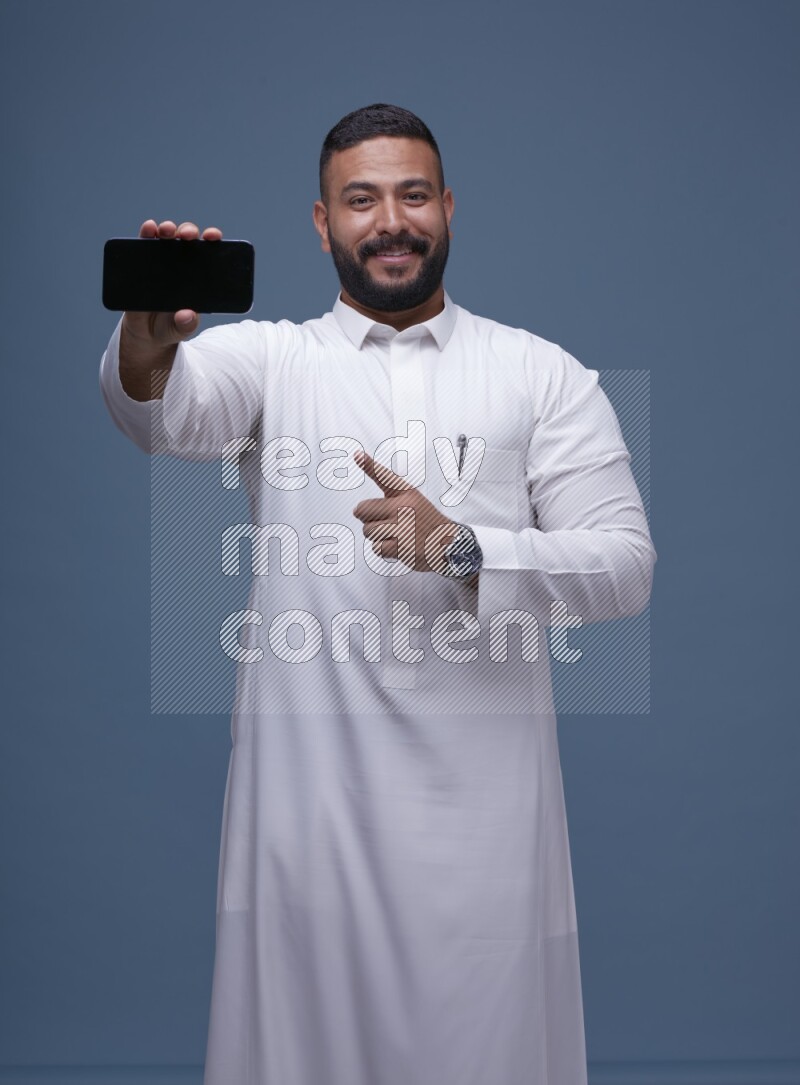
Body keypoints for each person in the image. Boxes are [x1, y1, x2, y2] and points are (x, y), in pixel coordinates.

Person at [100, 103, 655, 1085]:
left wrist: (461, 547)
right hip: (310, 824)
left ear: (447, 208)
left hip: (485, 831)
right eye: (360, 199)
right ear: (322, 222)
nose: (388, 220)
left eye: (410, 195)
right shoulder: (268, 360)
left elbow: (623, 567)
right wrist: (149, 336)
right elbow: (158, 411)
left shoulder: (542, 374)